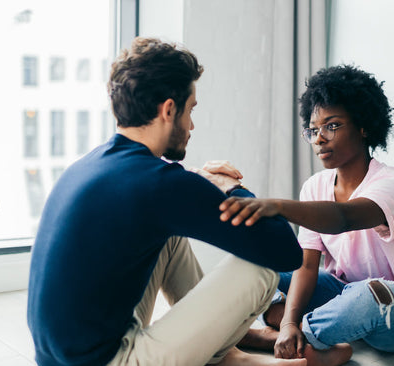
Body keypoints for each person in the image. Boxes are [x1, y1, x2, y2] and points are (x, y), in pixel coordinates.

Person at [27, 37, 352, 366]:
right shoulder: (159, 183)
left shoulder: (92, 165)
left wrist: (194, 184)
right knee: (261, 267)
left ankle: (231, 357)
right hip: (111, 360)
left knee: (168, 241)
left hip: (60, 357)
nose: (192, 125)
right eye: (190, 109)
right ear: (169, 109)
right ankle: (227, 356)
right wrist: (226, 185)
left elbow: (161, 194)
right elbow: (284, 251)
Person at [220, 65, 394, 360]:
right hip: (341, 291)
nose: (319, 138)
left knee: (368, 295)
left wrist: (277, 206)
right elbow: (307, 264)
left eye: (333, 125)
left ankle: (291, 338)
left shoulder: (393, 184)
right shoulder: (315, 186)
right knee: (264, 266)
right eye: (313, 130)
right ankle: (289, 334)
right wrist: (289, 321)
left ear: (363, 126)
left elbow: (343, 218)